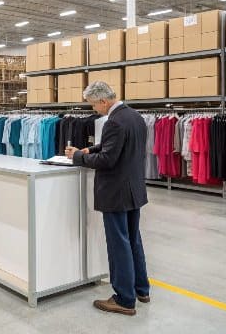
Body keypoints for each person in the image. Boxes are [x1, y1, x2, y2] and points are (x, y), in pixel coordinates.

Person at [65, 81, 150, 316]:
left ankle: (124, 298)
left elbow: (107, 160)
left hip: (116, 192)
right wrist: (88, 151)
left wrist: (78, 159)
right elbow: (114, 147)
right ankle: (141, 289)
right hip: (133, 190)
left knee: (118, 244)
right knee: (133, 240)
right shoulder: (134, 116)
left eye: (94, 105)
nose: (95, 110)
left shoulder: (114, 121)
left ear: (103, 101)